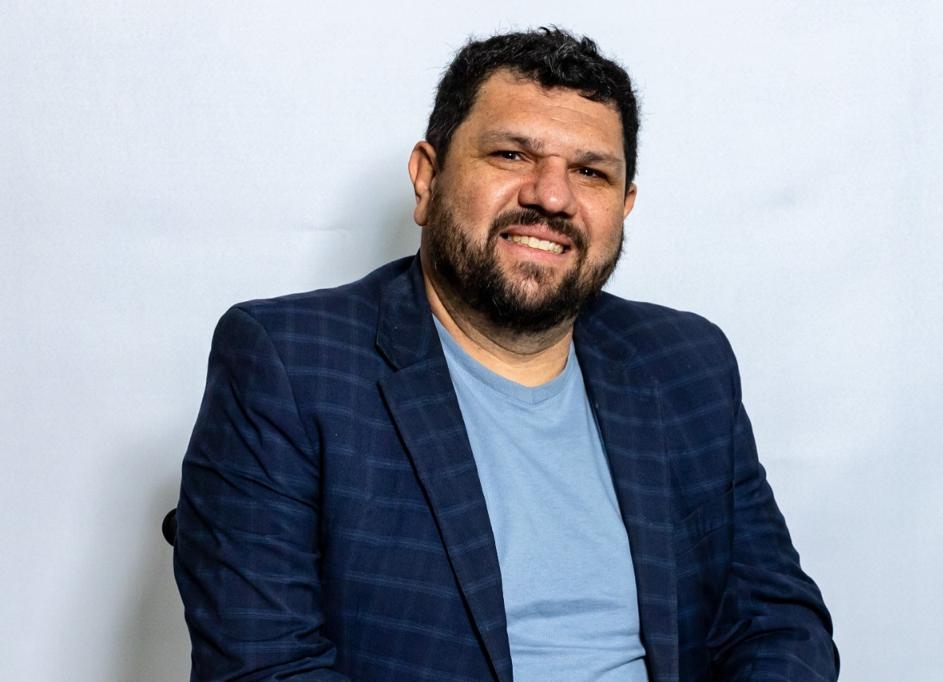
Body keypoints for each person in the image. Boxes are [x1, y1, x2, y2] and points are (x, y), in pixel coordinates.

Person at [174, 27, 839, 681]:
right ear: (427, 178)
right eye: (512, 155)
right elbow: (263, 666)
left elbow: (778, 621)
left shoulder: (685, 364)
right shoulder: (289, 363)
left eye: (590, 172)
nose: (551, 196)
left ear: (624, 206)